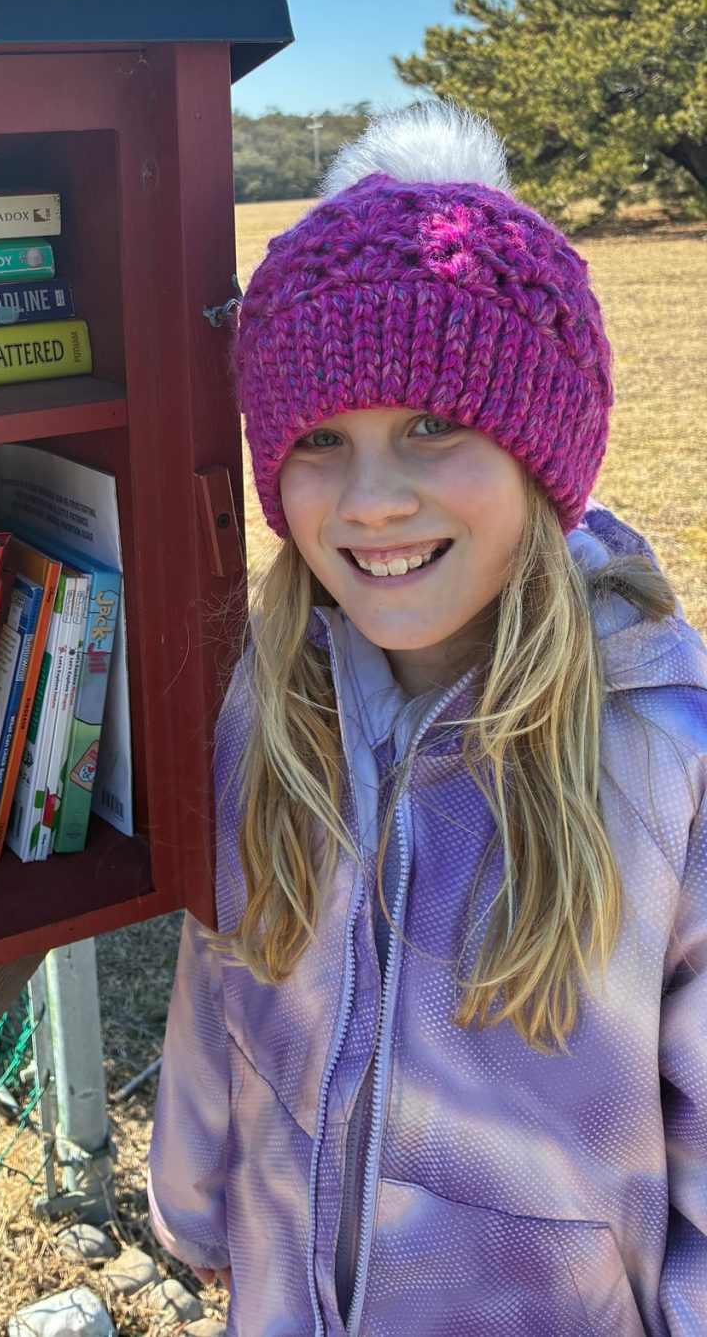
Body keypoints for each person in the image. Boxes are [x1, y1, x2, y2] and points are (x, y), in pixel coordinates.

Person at [146, 102, 707, 1336]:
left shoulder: (666, 749)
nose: (372, 499)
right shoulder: (268, 704)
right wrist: (191, 1203)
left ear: (539, 451)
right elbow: (218, 978)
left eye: (430, 426)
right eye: (320, 441)